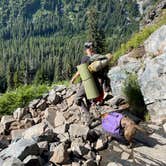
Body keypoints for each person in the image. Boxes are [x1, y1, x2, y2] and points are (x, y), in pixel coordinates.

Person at [70, 42, 110, 112]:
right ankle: (93, 114)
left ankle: (89, 118)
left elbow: (80, 70)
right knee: (88, 99)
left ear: (86, 49)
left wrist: (73, 79)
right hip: (95, 82)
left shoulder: (85, 58)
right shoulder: (96, 58)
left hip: (87, 82)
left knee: (77, 99)